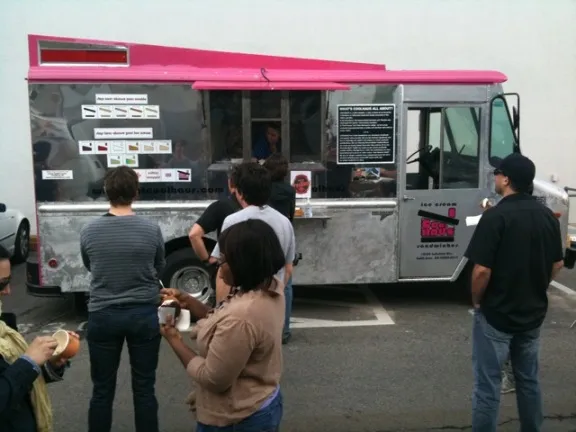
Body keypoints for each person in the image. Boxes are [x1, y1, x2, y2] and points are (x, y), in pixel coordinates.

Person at [464, 153, 564, 431]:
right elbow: (557, 263)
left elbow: (481, 271)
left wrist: (477, 301)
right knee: (528, 380)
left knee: (488, 385)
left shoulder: (495, 217)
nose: (495, 177)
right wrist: (537, 286)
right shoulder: (547, 217)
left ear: (506, 180)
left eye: (497, 173)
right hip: (532, 314)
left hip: (496, 315)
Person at [160, 219, 286, 431]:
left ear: (242, 263)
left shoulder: (242, 317)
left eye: (224, 259)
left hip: (238, 418)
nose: (218, 265)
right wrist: (189, 301)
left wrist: (174, 339)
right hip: (263, 401)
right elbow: (224, 321)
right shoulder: (269, 286)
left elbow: (213, 379)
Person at [80, 166, 165, 432]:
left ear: (106, 192)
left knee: (102, 389)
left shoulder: (90, 230)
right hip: (143, 313)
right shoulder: (151, 229)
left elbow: (90, 265)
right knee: (145, 387)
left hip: (103, 314)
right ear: (136, 193)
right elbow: (159, 265)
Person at [0, 244, 74, 432]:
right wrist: (28, 362)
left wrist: (50, 363)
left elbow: (16, 383)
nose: (8, 290)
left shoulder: (3, 326)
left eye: (9, 281)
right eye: (1, 283)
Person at [210, 162, 296, 310]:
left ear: (240, 192)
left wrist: (220, 309)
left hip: (242, 305)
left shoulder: (233, 220)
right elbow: (288, 268)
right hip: (274, 301)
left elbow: (223, 269)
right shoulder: (284, 222)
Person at [188, 166, 241, 304]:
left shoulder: (221, 206)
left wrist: (207, 261)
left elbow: (194, 235)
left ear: (230, 183)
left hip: (226, 274)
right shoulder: (261, 208)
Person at [263, 154, 296, 343]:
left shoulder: (263, 190)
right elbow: (291, 215)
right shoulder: (289, 190)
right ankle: (284, 330)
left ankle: (265, 329)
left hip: (265, 236)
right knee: (286, 285)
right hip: (284, 236)